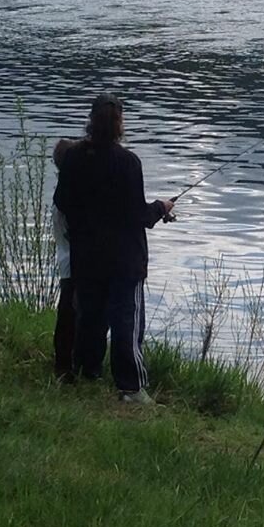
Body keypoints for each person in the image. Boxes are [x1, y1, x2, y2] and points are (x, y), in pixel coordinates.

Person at [51, 94, 175, 402]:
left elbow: (63, 203)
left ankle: (87, 371)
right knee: (126, 322)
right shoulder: (128, 162)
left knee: (90, 318)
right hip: (124, 260)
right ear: (119, 124)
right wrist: (161, 207)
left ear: (90, 122)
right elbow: (138, 216)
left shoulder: (74, 159)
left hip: (86, 257)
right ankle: (130, 387)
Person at [49, 138, 78, 381]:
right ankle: (65, 368)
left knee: (67, 315)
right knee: (70, 316)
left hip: (65, 263)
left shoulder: (62, 191)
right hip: (73, 265)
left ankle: (64, 365)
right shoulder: (69, 196)